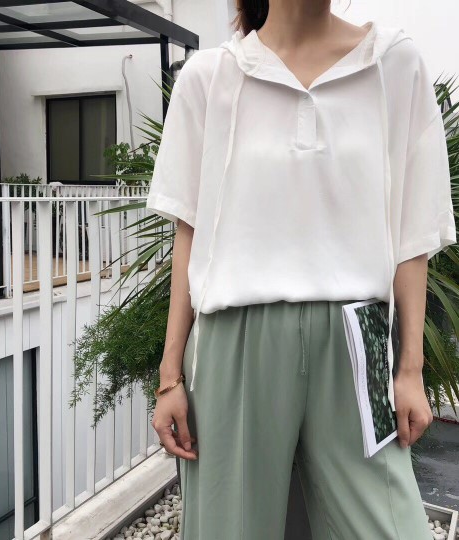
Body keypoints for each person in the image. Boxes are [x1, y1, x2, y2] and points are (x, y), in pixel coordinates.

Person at [146, 0, 457, 538]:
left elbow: (414, 234)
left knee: (390, 525)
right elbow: (188, 233)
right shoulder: (209, 77)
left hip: (359, 334)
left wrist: (410, 369)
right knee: (230, 529)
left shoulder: (394, 63)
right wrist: (170, 376)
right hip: (233, 342)